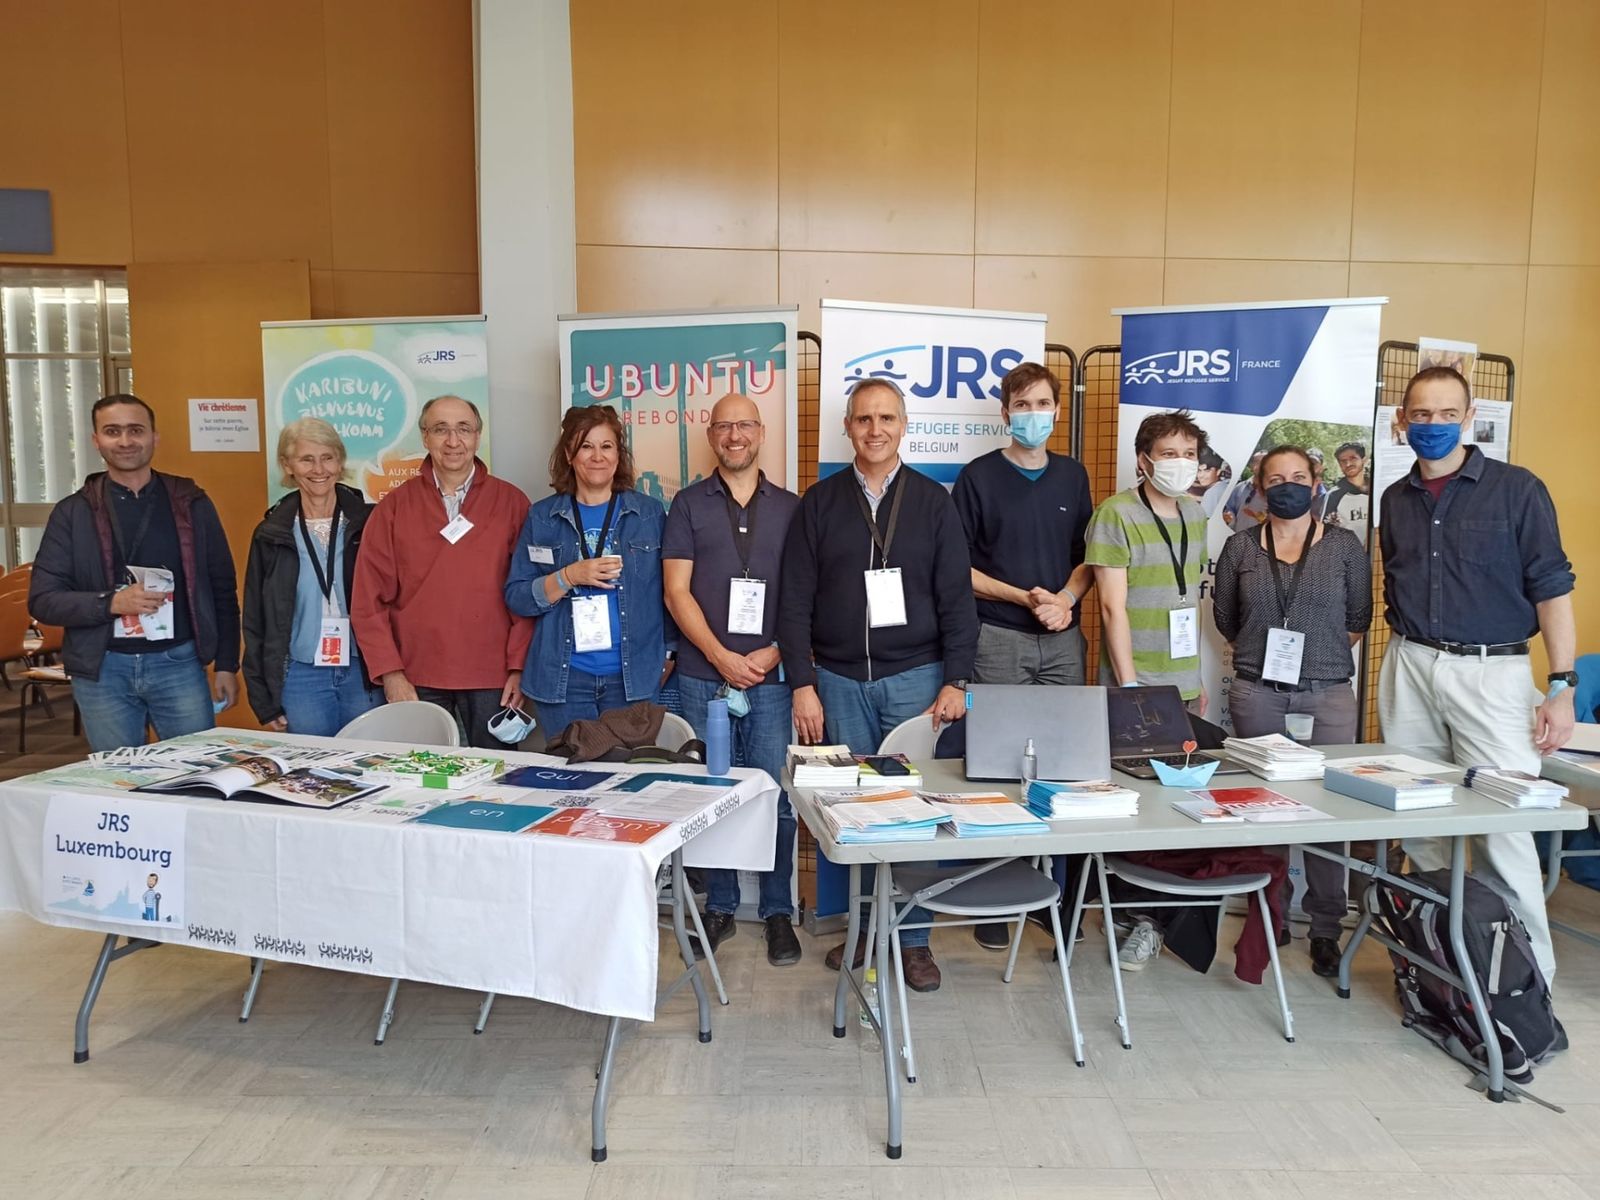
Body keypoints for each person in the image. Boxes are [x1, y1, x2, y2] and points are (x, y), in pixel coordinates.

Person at [779, 377, 979, 993]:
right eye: (863, 419)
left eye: (886, 418)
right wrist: (803, 683)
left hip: (915, 678)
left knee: (913, 811)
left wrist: (957, 679)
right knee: (851, 809)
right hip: (837, 681)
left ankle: (914, 939)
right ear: (848, 428)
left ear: (903, 426)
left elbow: (956, 598)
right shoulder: (819, 502)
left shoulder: (932, 501)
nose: (875, 429)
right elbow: (795, 601)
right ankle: (863, 929)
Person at [1379, 365, 1576, 983]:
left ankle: (1525, 984)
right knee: (1419, 820)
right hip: (1410, 663)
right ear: (1401, 420)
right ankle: (1443, 969)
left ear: (1469, 419)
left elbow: (1551, 590)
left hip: (1494, 674)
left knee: (1503, 830)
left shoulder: (1517, 489)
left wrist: (1562, 686)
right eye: (1420, 414)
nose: (1431, 425)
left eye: (1445, 414)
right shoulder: (1395, 498)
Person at [1213, 444, 1372, 977]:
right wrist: (1266, 656)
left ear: (1316, 481)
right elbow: (1227, 619)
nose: (1287, 485)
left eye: (1298, 476)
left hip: (1327, 692)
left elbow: (1359, 616)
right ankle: (1269, 916)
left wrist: (1318, 657)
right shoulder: (1240, 548)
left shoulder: (1345, 546)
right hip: (1258, 689)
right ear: (1259, 483)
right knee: (1266, 807)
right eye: (1275, 477)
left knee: (1329, 814)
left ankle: (1326, 926)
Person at [952, 361, 1094, 950]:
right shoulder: (978, 477)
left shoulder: (1074, 475)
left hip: (1063, 637)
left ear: (1058, 410)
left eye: (1043, 403)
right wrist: (1024, 597)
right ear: (1004, 412)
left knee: (1068, 765)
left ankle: (1058, 899)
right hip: (1000, 636)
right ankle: (996, 895)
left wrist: (1064, 599)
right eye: (1022, 404)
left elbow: (1092, 557)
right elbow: (957, 568)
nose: (1034, 414)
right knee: (1000, 766)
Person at [662, 394, 802, 966]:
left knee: (776, 797)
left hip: (772, 679)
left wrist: (771, 654)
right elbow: (676, 591)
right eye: (724, 426)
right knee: (711, 795)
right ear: (711, 435)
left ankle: (776, 911)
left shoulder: (794, 508)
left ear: (761, 432)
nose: (734, 435)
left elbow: (805, 598)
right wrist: (721, 657)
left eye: (744, 424)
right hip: (703, 677)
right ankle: (719, 904)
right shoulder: (687, 504)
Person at [30, 393, 240, 752]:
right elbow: (43, 600)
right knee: (119, 781)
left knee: (196, 774)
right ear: (96, 440)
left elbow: (222, 588)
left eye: (135, 430)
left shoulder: (192, 503)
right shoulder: (72, 513)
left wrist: (226, 664)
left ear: (154, 437)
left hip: (179, 664)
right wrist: (110, 603)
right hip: (102, 669)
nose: (125, 441)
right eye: (113, 431)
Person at [351, 395, 532, 749]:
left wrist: (519, 667)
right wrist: (390, 674)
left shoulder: (512, 503)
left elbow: (525, 593)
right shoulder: (393, 507)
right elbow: (368, 600)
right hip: (416, 677)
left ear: (478, 436)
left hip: (492, 676)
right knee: (422, 784)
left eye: (463, 429)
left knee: (496, 780)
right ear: (424, 437)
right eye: (441, 430)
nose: (453, 441)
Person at [506, 404, 672, 733]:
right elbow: (518, 596)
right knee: (572, 779)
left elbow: (672, 590)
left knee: (627, 779)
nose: (597, 456)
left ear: (618, 455)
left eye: (606, 446)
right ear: (569, 454)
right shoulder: (542, 516)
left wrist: (669, 656)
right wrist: (568, 576)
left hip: (633, 678)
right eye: (586, 446)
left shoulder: (650, 515)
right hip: (563, 678)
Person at [242, 418, 380, 736]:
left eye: (327, 457)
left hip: (364, 671)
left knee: (369, 765)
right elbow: (255, 618)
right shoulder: (271, 533)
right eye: (307, 459)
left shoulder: (370, 523)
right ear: (287, 465)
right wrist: (263, 699)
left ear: (341, 461)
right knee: (314, 773)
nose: (319, 469)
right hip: (302, 675)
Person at [1085, 409, 1209, 714]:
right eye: (1169, 453)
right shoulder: (1116, 513)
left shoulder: (1194, 514)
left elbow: (1190, 596)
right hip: (1136, 684)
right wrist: (1128, 688)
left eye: (1189, 453)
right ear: (1144, 460)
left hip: (1186, 683)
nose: (1181, 462)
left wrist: (1197, 680)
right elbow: (1111, 608)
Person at [1323, 441, 1370, 542]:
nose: (1348, 464)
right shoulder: (1334, 495)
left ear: (1364, 460)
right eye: (1343, 461)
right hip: (1349, 555)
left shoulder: (1378, 491)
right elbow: (1326, 532)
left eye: (1353, 458)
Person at [1222, 450, 1266, 529]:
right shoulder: (1239, 487)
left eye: (1264, 462)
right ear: (1251, 466)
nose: (1260, 465)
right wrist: (1230, 518)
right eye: (1256, 462)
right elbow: (1230, 509)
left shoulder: (1273, 493)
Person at [1190, 445, 1231, 517]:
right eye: (1199, 471)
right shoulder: (1223, 486)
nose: (1201, 475)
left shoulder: (1212, 492)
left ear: (1218, 472)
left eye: (1207, 470)